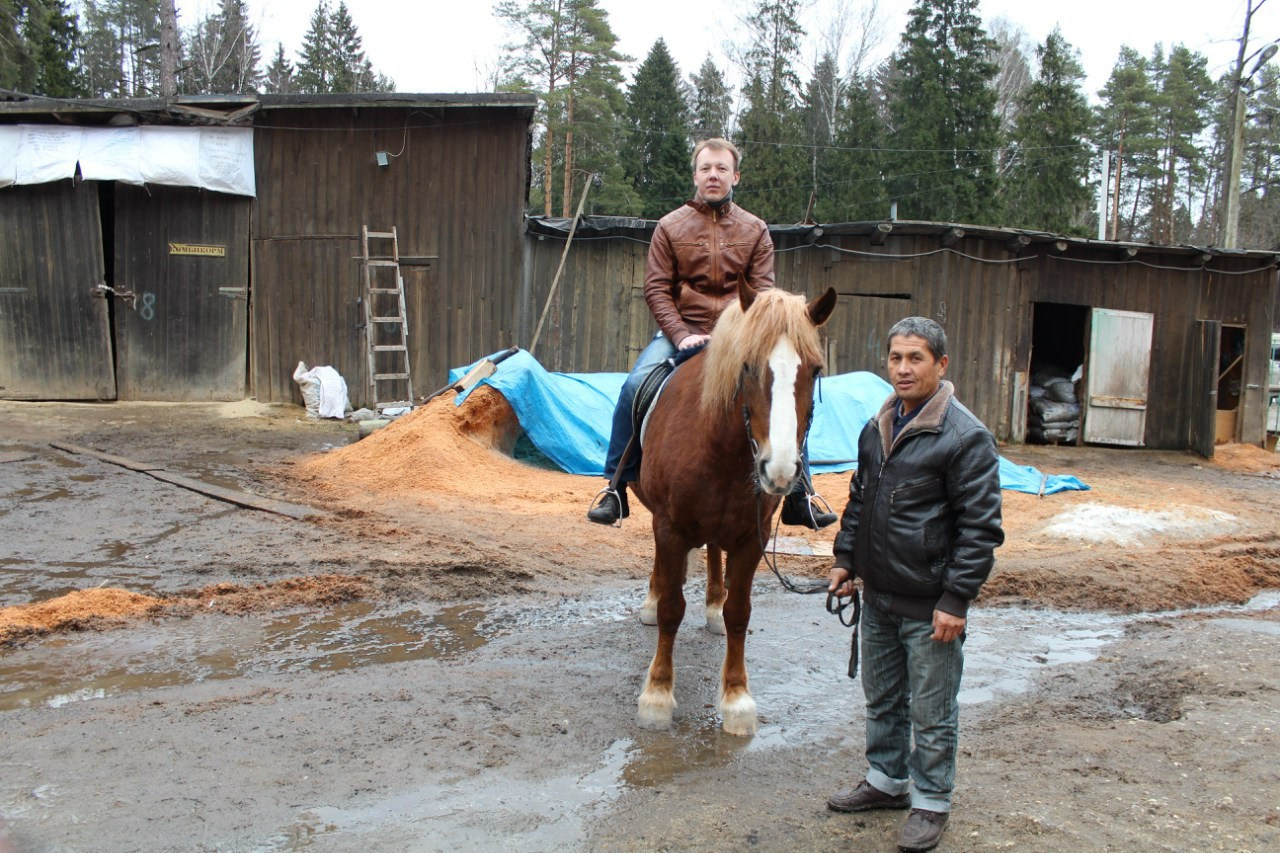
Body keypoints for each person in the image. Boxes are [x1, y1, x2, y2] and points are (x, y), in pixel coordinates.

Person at [586, 137, 836, 528]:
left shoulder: (756, 229)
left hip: (742, 338)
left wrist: (743, 335)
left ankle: (800, 492)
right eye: (706, 168)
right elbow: (657, 288)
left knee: (789, 388)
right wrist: (680, 333)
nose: (713, 175)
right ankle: (615, 487)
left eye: (721, 168)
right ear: (695, 176)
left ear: (735, 176)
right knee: (635, 386)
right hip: (683, 330)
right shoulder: (669, 227)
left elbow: (762, 293)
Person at [824, 317, 1004, 853]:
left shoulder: (965, 437)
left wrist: (956, 599)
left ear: (941, 364)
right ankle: (886, 781)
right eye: (896, 358)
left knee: (932, 712)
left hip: (931, 608)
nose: (903, 369)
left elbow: (980, 528)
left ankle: (931, 802)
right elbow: (860, 499)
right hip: (878, 598)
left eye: (916, 358)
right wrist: (845, 559)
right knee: (882, 699)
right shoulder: (876, 427)